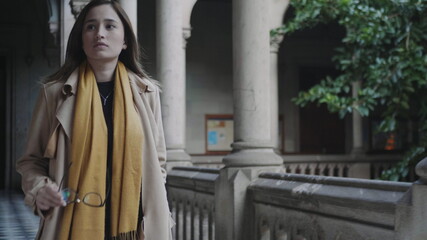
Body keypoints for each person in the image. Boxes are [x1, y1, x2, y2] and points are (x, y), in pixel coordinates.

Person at [16, 0, 174, 239]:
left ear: (125, 41)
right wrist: (39, 189)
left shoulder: (147, 93)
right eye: (91, 27)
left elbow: (158, 162)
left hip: (133, 226)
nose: (99, 33)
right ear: (81, 39)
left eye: (110, 26)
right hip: (69, 223)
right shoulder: (54, 94)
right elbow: (30, 162)